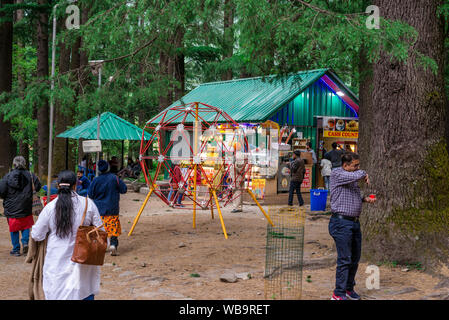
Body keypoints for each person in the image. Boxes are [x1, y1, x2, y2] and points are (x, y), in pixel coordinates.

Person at [31, 170, 103, 300]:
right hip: (83, 262)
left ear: (58, 186)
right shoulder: (88, 204)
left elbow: (37, 235)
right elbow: (101, 232)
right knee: (83, 292)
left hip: (56, 263)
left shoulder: (50, 207)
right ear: (75, 185)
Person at [328, 152, 376, 300]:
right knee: (345, 258)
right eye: (355, 165)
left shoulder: (352, 177)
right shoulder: (337, 173)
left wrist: (364, 199)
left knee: (354, 258)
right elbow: (357, 175)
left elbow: (349, 195)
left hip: (354, 222)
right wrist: (364, 173)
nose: (357, 168)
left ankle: (349, 289)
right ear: (345, 165)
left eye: (358, 165)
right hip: (341, 223)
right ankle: (338, 293)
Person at [0, 156, 41, 256]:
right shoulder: (31, 175)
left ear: (14, 164)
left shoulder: (7, 176)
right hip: (26, 205)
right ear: (25, 163)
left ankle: (16, 249)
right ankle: (25, 242)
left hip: (11, 206)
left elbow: (1, 191)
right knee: (26, 226)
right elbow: (38, 187)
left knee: (13, 228)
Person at [88, 160, 127, 256]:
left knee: (100, 227)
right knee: (113, 226)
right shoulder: (115, 178)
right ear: (108, 168)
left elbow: (90, 195)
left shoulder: (95, 180)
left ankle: (102, 246)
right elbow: (124, 190)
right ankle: (113, 245)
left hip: (99, 209)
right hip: (112, 208)